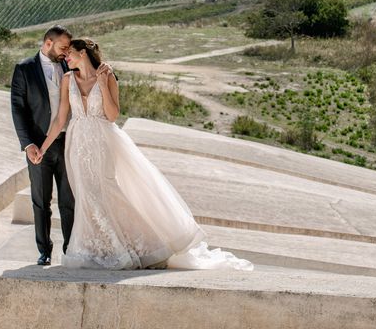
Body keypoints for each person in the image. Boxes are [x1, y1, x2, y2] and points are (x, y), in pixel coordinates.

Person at [37, 37, 253, 270]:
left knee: (108, 189)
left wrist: (101, 84)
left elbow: (111, 115)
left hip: (102, 141)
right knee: (87, 195)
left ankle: (143, 242)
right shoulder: (68, 80)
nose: (65, 57)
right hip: (78, 143)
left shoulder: (107, 76)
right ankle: (99, 248)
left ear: (83, 53)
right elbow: (60, 119)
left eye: (69, 53)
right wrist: (43, 147)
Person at [10, 25, 76, 266]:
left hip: (68, 143)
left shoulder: (71, 65)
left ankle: (70, 249)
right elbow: (18, 109)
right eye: (62, 47)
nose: (65, 53)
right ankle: (44, 250)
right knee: (40, 200)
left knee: (69, 200)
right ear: (48, 43)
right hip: (39, 146)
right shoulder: (24, 69)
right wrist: (27, 144)